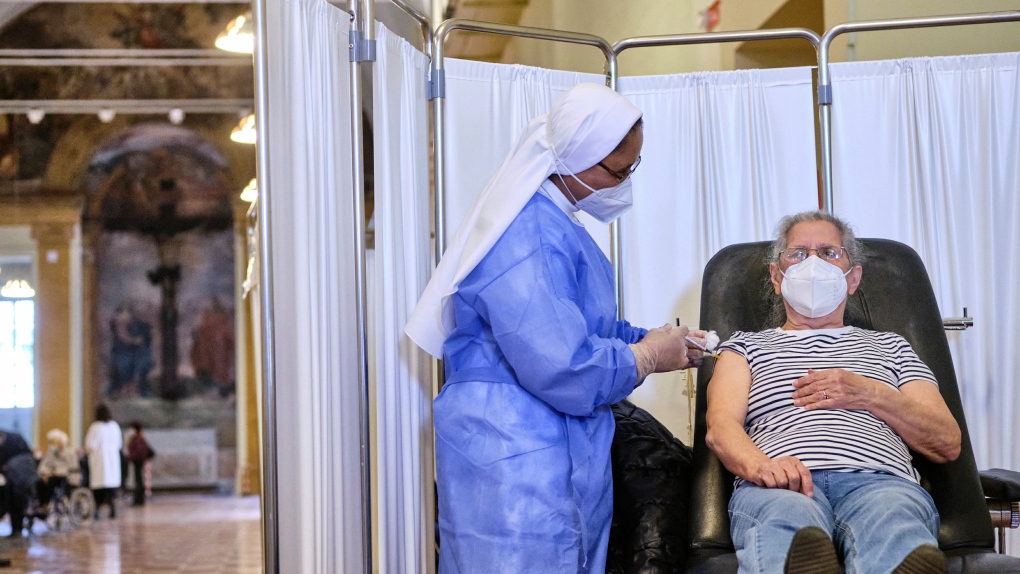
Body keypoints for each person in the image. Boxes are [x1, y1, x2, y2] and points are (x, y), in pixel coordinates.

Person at [405, 83, 708, 573]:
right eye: (618, 171)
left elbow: (587, 329)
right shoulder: (529, 234)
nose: (623, 183)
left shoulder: (559, 227)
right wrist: (647, 357)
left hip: (549, 451)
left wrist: (654, 341)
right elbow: (563, 365)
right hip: (514, 454)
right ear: (577, 158)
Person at [705, 211, 961, 574]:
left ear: (853, 277)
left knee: (893, 522)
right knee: (790, 524)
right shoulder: (744, 347)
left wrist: (869, 394)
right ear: (777, 277)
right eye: (797, 254)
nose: (812, 263)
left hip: (880, 480)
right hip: (782, 483)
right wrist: (763, 467)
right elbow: (721, 428)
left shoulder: (892, 347)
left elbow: (946, 440)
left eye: (828, 253)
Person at [84, 404, 123, 519]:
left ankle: (97, 510)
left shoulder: (95, 427)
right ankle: (112, 509)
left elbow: (90, 445)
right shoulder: (114, 426)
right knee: (110, 487)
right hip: (112, 460)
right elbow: (119, 444)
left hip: (99, 460)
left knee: (99, 487)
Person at [0, 430, 37, 538]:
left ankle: (17, 529)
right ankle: (16, 530)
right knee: (15, 504)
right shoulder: (16, 441)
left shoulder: (12, 446)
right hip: (16, 481)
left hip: (18, 481)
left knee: (16, 504)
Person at [35, 429, 81, 512]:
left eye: (53, 442)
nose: (51, 444)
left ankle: (47, 504)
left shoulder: (70, 452)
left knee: (51, 482)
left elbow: (71, 468)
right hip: (51, 475)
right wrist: (45, 472)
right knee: (39, 482)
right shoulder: (51, 452)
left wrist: (52, 474)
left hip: (68, 477)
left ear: (61, 442)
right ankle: (42, 505)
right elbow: (44, 465)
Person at [125, 421, 153, 506]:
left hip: (138, 461)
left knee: (138, 480)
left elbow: (137, 451)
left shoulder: (138, 438)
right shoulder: (138, 438)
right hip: (138, 460)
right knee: (138, 480)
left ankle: (139, 499)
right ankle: (138, 499)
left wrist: (132, 457)